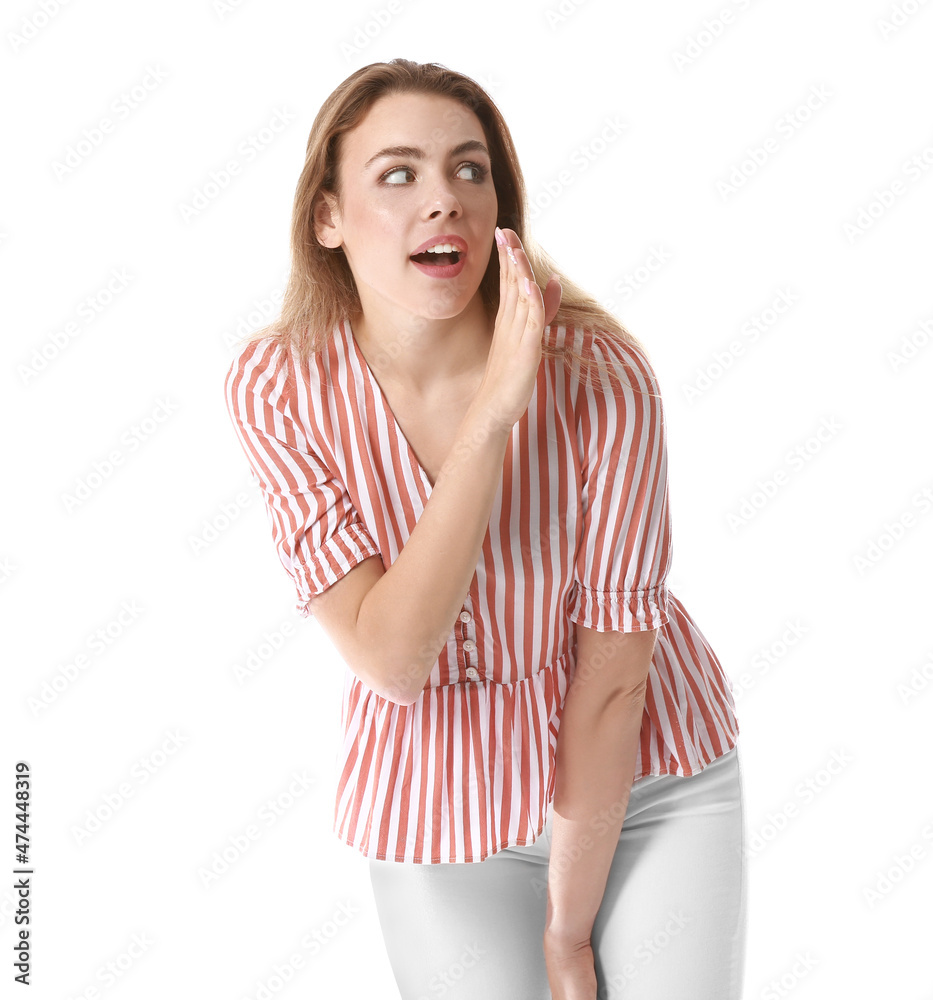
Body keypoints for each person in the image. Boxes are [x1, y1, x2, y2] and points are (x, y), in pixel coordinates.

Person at [224, 58, 746, 1000]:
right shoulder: (278, 387)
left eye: (471, 170)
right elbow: (392, 658)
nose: (444, 200)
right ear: (327, 218)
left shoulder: (601, 376)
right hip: (435, 800)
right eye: (398, 174)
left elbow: (615, 678)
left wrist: (568, 935)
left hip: (643, 781)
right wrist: (493, 418)